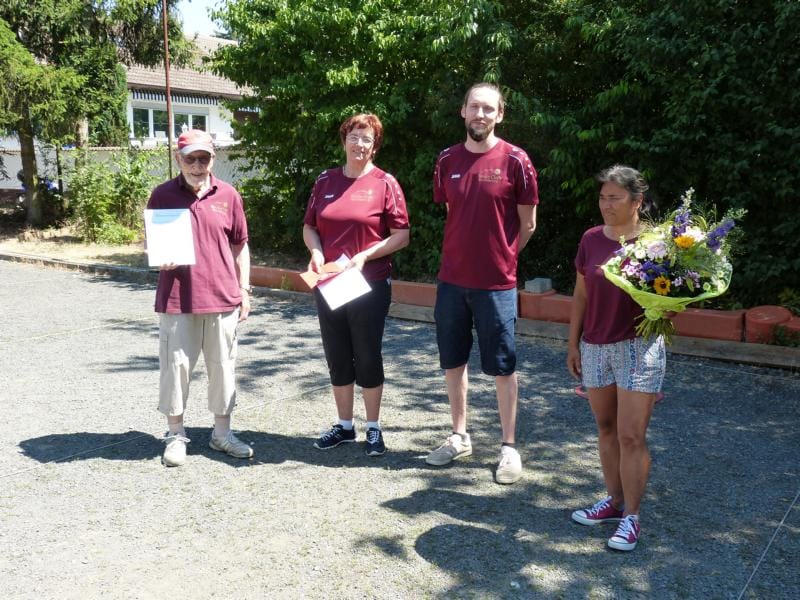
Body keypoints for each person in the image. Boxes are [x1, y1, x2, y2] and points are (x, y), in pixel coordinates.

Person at [425, 83, 539, 484]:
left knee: (502, 367)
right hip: (452, 281)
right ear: (463, 111)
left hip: (496, 285)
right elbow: (453, 209)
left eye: (489, 108)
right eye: (474, 106)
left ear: (500, 115)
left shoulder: (516, 161)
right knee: (453, 361)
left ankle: (509, 446)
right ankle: (459, 436)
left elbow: (528, 224)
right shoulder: (446, 159)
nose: (481, 114)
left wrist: (502, 257)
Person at [566, 165, 666, 551]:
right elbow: (581, 295)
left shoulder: (657, 243)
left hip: (639, 346)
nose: (606, 205)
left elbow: (673, 298)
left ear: (637, 201)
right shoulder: (591, 239)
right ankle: (613, 501)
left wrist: (668, 309)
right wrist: (573, 343)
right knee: (606, 428)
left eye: (615, 198)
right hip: (595, 346)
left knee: (631, 435)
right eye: (602, 197)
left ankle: (631, 517)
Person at [303, 113, 410, 457]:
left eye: (367, 139)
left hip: (369, 283)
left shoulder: (385, 183)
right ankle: (345, 426)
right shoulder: (325, 181)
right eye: (354, 137)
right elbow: (309, 227)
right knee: (337, 354)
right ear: (344, 140)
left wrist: (366, 255)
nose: (359, 144)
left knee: (367, 354)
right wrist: (316, 252)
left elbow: (402, 235)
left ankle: (373, 427)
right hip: (329, 280)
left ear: (375, 146)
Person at [148, 129, 254, 467]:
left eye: (203, 158)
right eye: (190, 158)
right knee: (175, 368)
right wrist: (158, 257)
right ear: (178, 159)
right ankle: (175, 435)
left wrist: (245, 289)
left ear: (213, 159)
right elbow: (152, 243)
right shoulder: (162, 195)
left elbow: (240, 245)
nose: (197, 165)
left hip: (222, 297)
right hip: (177, 298)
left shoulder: (229, 195)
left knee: (223, 368)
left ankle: (222, 434)